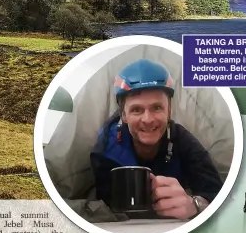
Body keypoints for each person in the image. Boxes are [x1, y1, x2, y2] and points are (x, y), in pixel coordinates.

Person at [90, 59, 223, 219]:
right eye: (137, 109)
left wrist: (194, 205)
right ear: (123, 115)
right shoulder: (106, 148)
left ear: (169, 111)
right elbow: (103, 200)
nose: (148, 119)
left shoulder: (184, 141)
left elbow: (216, 194)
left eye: (157, 107)